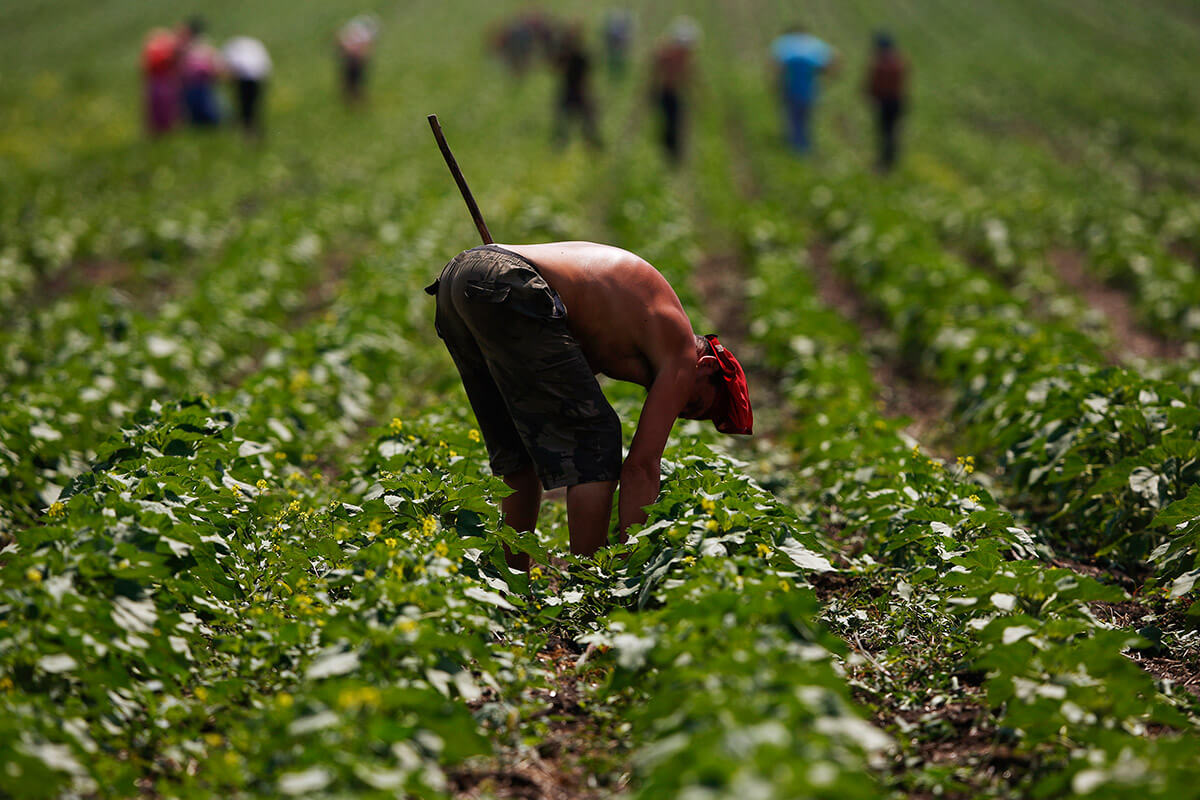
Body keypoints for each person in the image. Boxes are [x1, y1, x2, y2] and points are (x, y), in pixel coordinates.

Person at [425, 241, 753, 569]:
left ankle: (510, 583)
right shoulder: (682, 350)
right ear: (707, 367)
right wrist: (630, 563)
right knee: (597, 439)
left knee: (519, 449)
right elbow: (642, 466)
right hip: (506, 279)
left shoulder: (630, 329)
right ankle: (590, 579)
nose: (680, 408)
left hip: (462, 277)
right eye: (694, 403)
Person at [771, 24, 836, 154]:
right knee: (806, 118)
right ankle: (805, 146)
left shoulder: (785, 45)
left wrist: (775, 84)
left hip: (791, 88)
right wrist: (825, 78)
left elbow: (775, 65)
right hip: (809, 90)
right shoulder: (813, 44)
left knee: (793, 118)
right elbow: (833, 61)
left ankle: (796, 146)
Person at [650, 17, 699, 163]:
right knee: (669, 125)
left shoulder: (683, 57)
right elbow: (655, 73)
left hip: (675, 93)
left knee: (677, 124)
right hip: (666, 93)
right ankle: (669, 155)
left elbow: (689, 77)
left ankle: (674, 155)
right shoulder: (665, 54)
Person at [551, 24, 601, 148]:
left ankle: (591, 146)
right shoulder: (565, 55)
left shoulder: (581, 56)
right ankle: (562, 144)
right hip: (569, 91)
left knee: (587, 125)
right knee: (563, 124)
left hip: (578, 92)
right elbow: (555, 68)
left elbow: (586, 76)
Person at [865, 32, 908, 172]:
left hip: (884, 101)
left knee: (885, 131)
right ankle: (890, 159)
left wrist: (870, 94)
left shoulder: (880, 63)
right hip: (897, 100)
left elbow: (874, 83)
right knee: (892, 130)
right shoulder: (899, 61)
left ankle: (885, 160)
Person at [223, 36, 272, 139]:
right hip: (257, 76)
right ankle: (251, 129)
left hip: (244, 78)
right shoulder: (254, 45)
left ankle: (247, 131)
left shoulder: (232, 47)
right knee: (252, 106)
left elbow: (229, 68)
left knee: (245, 105)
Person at [180, 17, 223, 127]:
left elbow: (212, 62)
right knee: (194, 109)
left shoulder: (200, 45)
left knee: (206, 108)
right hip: (191, 84)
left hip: (202, 83)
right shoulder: (187, 46)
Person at [141, 27, 181, 136]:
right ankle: (161, 131)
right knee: (160, 108)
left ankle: (164, 130)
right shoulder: (158, 50)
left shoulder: (156, 49)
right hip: (161, 82)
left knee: (164, 107)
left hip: (162, 82)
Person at [336, 15, 379, 106]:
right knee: (350, 81)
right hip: (351, 61)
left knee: (357, 80)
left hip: (356, 61)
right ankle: (351, 99)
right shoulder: (360, 33)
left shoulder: (360, 33)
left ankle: (355, 98)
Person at [603, 9, 633, 79]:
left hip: (617, 40)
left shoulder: (620, 34)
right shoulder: (614, 33)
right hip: (615, 40)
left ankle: (617, 57)